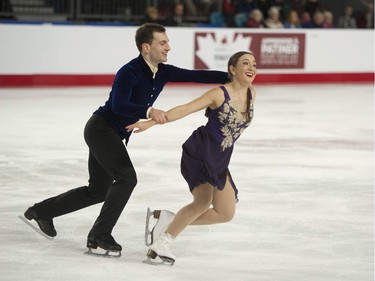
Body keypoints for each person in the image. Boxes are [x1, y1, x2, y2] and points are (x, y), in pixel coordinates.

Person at [23, 23, 229, 255]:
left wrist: (233, 77)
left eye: (167, 42)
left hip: (111, 134)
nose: (168, 47)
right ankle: (100, 234)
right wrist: (149, 111)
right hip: (101, 130)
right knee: (126, 178)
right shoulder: (129, 72)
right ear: (145, 47)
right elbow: (119, 105)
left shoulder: (163, 71)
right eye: (162, 43)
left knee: (98, 191)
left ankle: (40, 212)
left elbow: (196, 76)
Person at [126, 51, 257, 264]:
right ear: (232, 69)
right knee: (203, 202)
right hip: (203, 150)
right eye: (245, 63)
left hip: (220, 156)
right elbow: (185, 110)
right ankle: (164, 241)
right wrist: (151, 122)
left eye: (254, 63)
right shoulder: (218, 94)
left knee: (225, 213)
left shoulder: (252, 93)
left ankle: (169, 220)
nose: (251, 67)